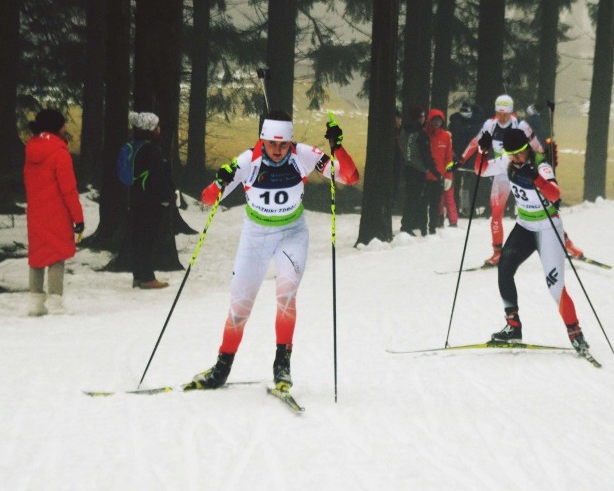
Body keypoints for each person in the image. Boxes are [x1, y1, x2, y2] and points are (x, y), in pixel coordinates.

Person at [188, 112, 359, 391]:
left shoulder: (303, 155)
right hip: (255, 236)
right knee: (240, 305)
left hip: (292, 234)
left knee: (286, 296)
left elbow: (350, 177)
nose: (277, 151)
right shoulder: (246, 161)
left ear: (291, 142)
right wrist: (221, 181)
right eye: (271, 144)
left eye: (283, 145)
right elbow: (208, 199)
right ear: (262, 140)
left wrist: (337, 147)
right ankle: (221, 368)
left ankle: (282, 367)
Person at [473, 128, 590, 355]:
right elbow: (481, 170)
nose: (516, 159)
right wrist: (482, 150)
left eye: (520, 153)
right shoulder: (509, 161)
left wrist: (535, 177)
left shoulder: (541, 166)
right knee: (504, 268)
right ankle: (513, 327)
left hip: (548, 228)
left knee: (555, 286)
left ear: (527, 148)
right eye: (512, 154)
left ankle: (575, 333)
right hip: (525, 226)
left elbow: (556, 195)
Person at [449, 94, 544, 267]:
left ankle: (562, 243)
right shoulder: (490, 125)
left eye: (505, 114)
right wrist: (461, 160)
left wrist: (542, 162)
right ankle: (497, 252)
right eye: (499, 113)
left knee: (539, 208)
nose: (501, 117)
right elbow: (474, 142)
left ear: (511, 112)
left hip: (520, 170)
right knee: (496, 213)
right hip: (501, 172)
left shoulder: (520, 125)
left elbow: (536, 145)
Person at [23, 109, 84, 316]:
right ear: (56, 127)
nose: (66, 128)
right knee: (57, 255)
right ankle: (56, 300)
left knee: (37, 255)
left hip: (36, 211)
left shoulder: (31, 150)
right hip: (57, 212)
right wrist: (78, 217)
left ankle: (35, 301)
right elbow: (69, 189)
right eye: (63, 124)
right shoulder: (60, 152)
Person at [127, 111, 175, 289]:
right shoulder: (152, 150)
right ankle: (147, 277)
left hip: (136, 199)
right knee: (148, 238)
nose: (159, 129)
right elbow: (158, 177)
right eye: (157, 126)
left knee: (138, 237)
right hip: (151, 201)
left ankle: (138, 275)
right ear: (150, 129)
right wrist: (168, 195)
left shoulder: (136, 146)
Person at [399, 105, 440, 236]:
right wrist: (435, 171)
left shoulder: (403, 130)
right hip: (418, 170)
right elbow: (426, 155)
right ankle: (407, 226)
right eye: (423, 116)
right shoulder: (421, 133)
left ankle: (406, 224)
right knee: (415, 198)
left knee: (409, 198)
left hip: (407, 167)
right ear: (420, 117)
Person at [423, 108, 457, 231]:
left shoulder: (445, 136)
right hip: (425, 174)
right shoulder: (424, 134)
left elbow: (448, 158)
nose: (437, 123)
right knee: (423, 203)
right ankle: (421, 226)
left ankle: (433, 226)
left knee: (436, 203)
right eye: (435, 120)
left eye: (439, 121)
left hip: (439, 176)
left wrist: (449, 176)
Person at [447, 103, 483, 217]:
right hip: (458, 158)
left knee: (467, 186)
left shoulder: (473, 124)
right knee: (458, 185)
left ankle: (465, 209)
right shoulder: (456, 124)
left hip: (469, 159)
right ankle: (456, 209)